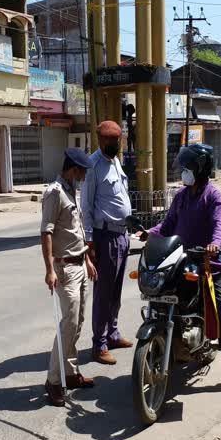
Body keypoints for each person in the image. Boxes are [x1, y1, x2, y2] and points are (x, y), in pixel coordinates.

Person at [139, 144, 221, 393]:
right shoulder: (181, 197)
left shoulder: (213, 196)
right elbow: (168, 224)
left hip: (207, 264)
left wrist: (214, 246)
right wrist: (148, 234)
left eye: (188, 168)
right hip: (181, 260)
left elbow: (220, 226)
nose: (184, 172)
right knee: (162, 298)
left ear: (200, 169)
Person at [40, 148, 98, 406]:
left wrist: (86, 259)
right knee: (68, 325)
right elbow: (47, 232)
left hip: (79, 265)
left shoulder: (70, 189)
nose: (84, 175)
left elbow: (75, 230)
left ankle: (70, 373)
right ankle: (53, 381)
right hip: (64, 269)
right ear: (74, 168)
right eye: (83, 170)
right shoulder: (54, 192)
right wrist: (50, 269)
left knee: (78, 322)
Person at [81, 120, 134, 365]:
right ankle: (99, 343)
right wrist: (90, 243)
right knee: (103, 293)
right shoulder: (92, 165)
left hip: (122, 235)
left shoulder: (115, 161)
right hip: (105, 237)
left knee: (116, 292)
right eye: (111, 141)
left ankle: (112, 334)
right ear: (100, 140)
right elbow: (86, 207)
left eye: (118, 140)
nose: (115, 144)